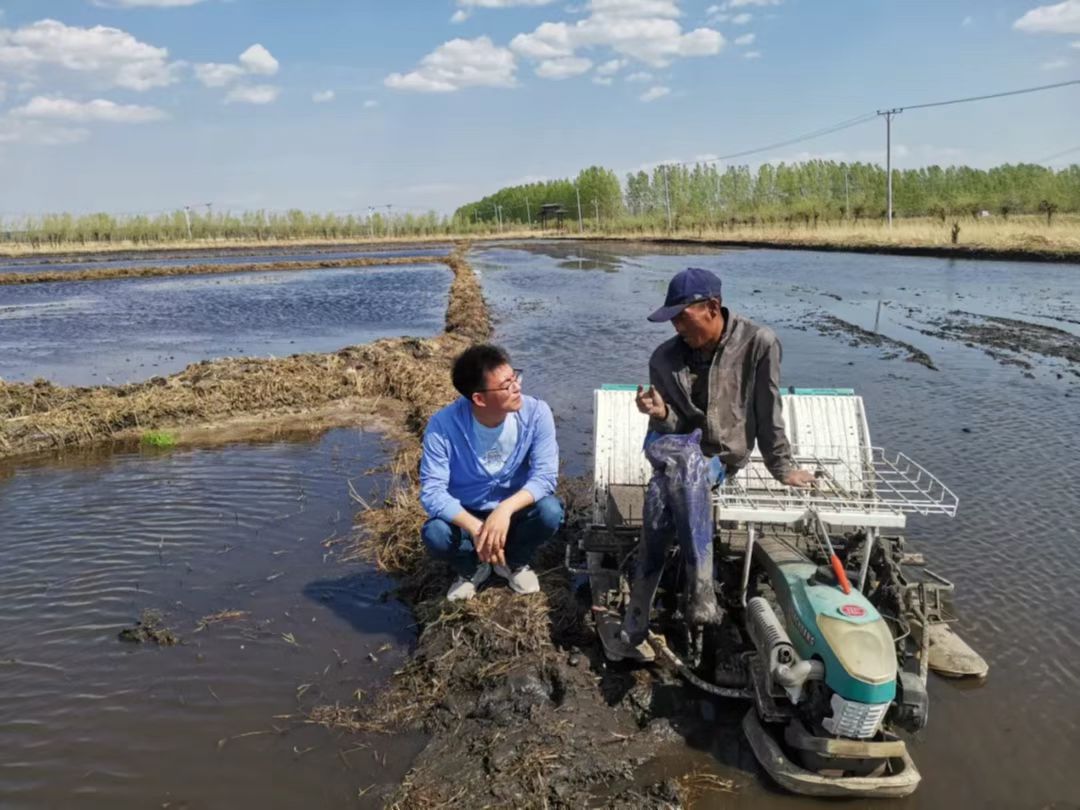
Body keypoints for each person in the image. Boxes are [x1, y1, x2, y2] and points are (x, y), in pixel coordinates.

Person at [620, 267, 814, 647]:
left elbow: (767, 409)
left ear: (712, 306)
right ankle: (701, 590)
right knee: (685, 461)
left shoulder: (758, 343)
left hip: (717, 456)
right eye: (672, 319)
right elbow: (671, 426)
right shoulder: (664, 358)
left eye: (682, 316)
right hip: (668, 445)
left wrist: (782, 467)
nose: (676, 326)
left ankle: (639, 609)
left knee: (663, 493)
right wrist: (659, 413)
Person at [419, 344, 563, 601]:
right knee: (436, 534)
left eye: (515, 377)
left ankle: (513, 562)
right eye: (506, 385)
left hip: (514, 510)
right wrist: (477, 528)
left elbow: (545, 477)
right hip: (466, 513)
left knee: (550, 512)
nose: (517, 387)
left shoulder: (537, 413)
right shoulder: (442, 425)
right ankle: (472, 568)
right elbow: (432, 493)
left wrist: (504, 510)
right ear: (479, 399)